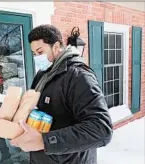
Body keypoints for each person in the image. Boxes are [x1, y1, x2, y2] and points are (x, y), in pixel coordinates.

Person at [10, 24, 113, 164]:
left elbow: (101, 129)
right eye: (34, 54)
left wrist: (45, 141)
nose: (36, 58)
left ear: (56, 47)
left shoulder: (78, 76)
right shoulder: (42, 75)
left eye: (40, 52)